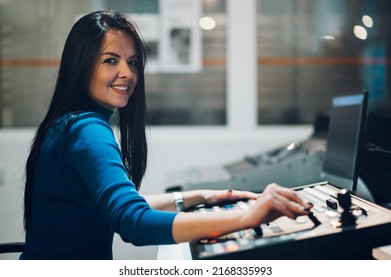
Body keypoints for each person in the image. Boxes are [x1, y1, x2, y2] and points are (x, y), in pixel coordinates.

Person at [20, 10, 311, 260]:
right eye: (111, 60)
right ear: (81, 65)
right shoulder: (88, 130)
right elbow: (133, 222)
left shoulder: (67, 124)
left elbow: (116, 203)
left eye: (132, 62)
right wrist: (248, 217)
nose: (127, 73)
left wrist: (202, 197)